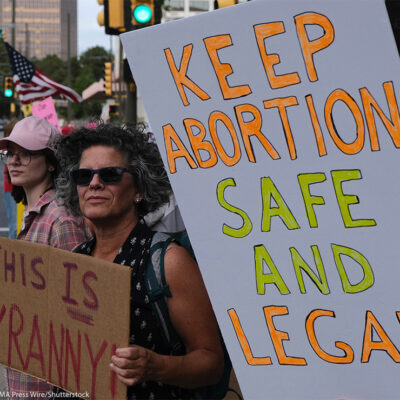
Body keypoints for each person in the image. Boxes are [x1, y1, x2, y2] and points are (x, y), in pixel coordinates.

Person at [55, 123, 224, 399]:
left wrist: (157, 366)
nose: (94, 184)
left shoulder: (167, 261)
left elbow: (210, 362)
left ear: (139, 189)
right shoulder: (76, 259)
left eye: (110, 174)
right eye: (84, 176)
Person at [0, 116, 91, 399]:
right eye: (10, 153)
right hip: (24, 375)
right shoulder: (34, 214)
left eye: (25, 153)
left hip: (49, 383)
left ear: (51, 162)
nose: (14, 161)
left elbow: (80, 314)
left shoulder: (61, 220)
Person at [1, 119, 18, 239]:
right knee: (15, 225)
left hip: (17, 188)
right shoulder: (6, 151)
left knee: (19, 224)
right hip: (11, 189)